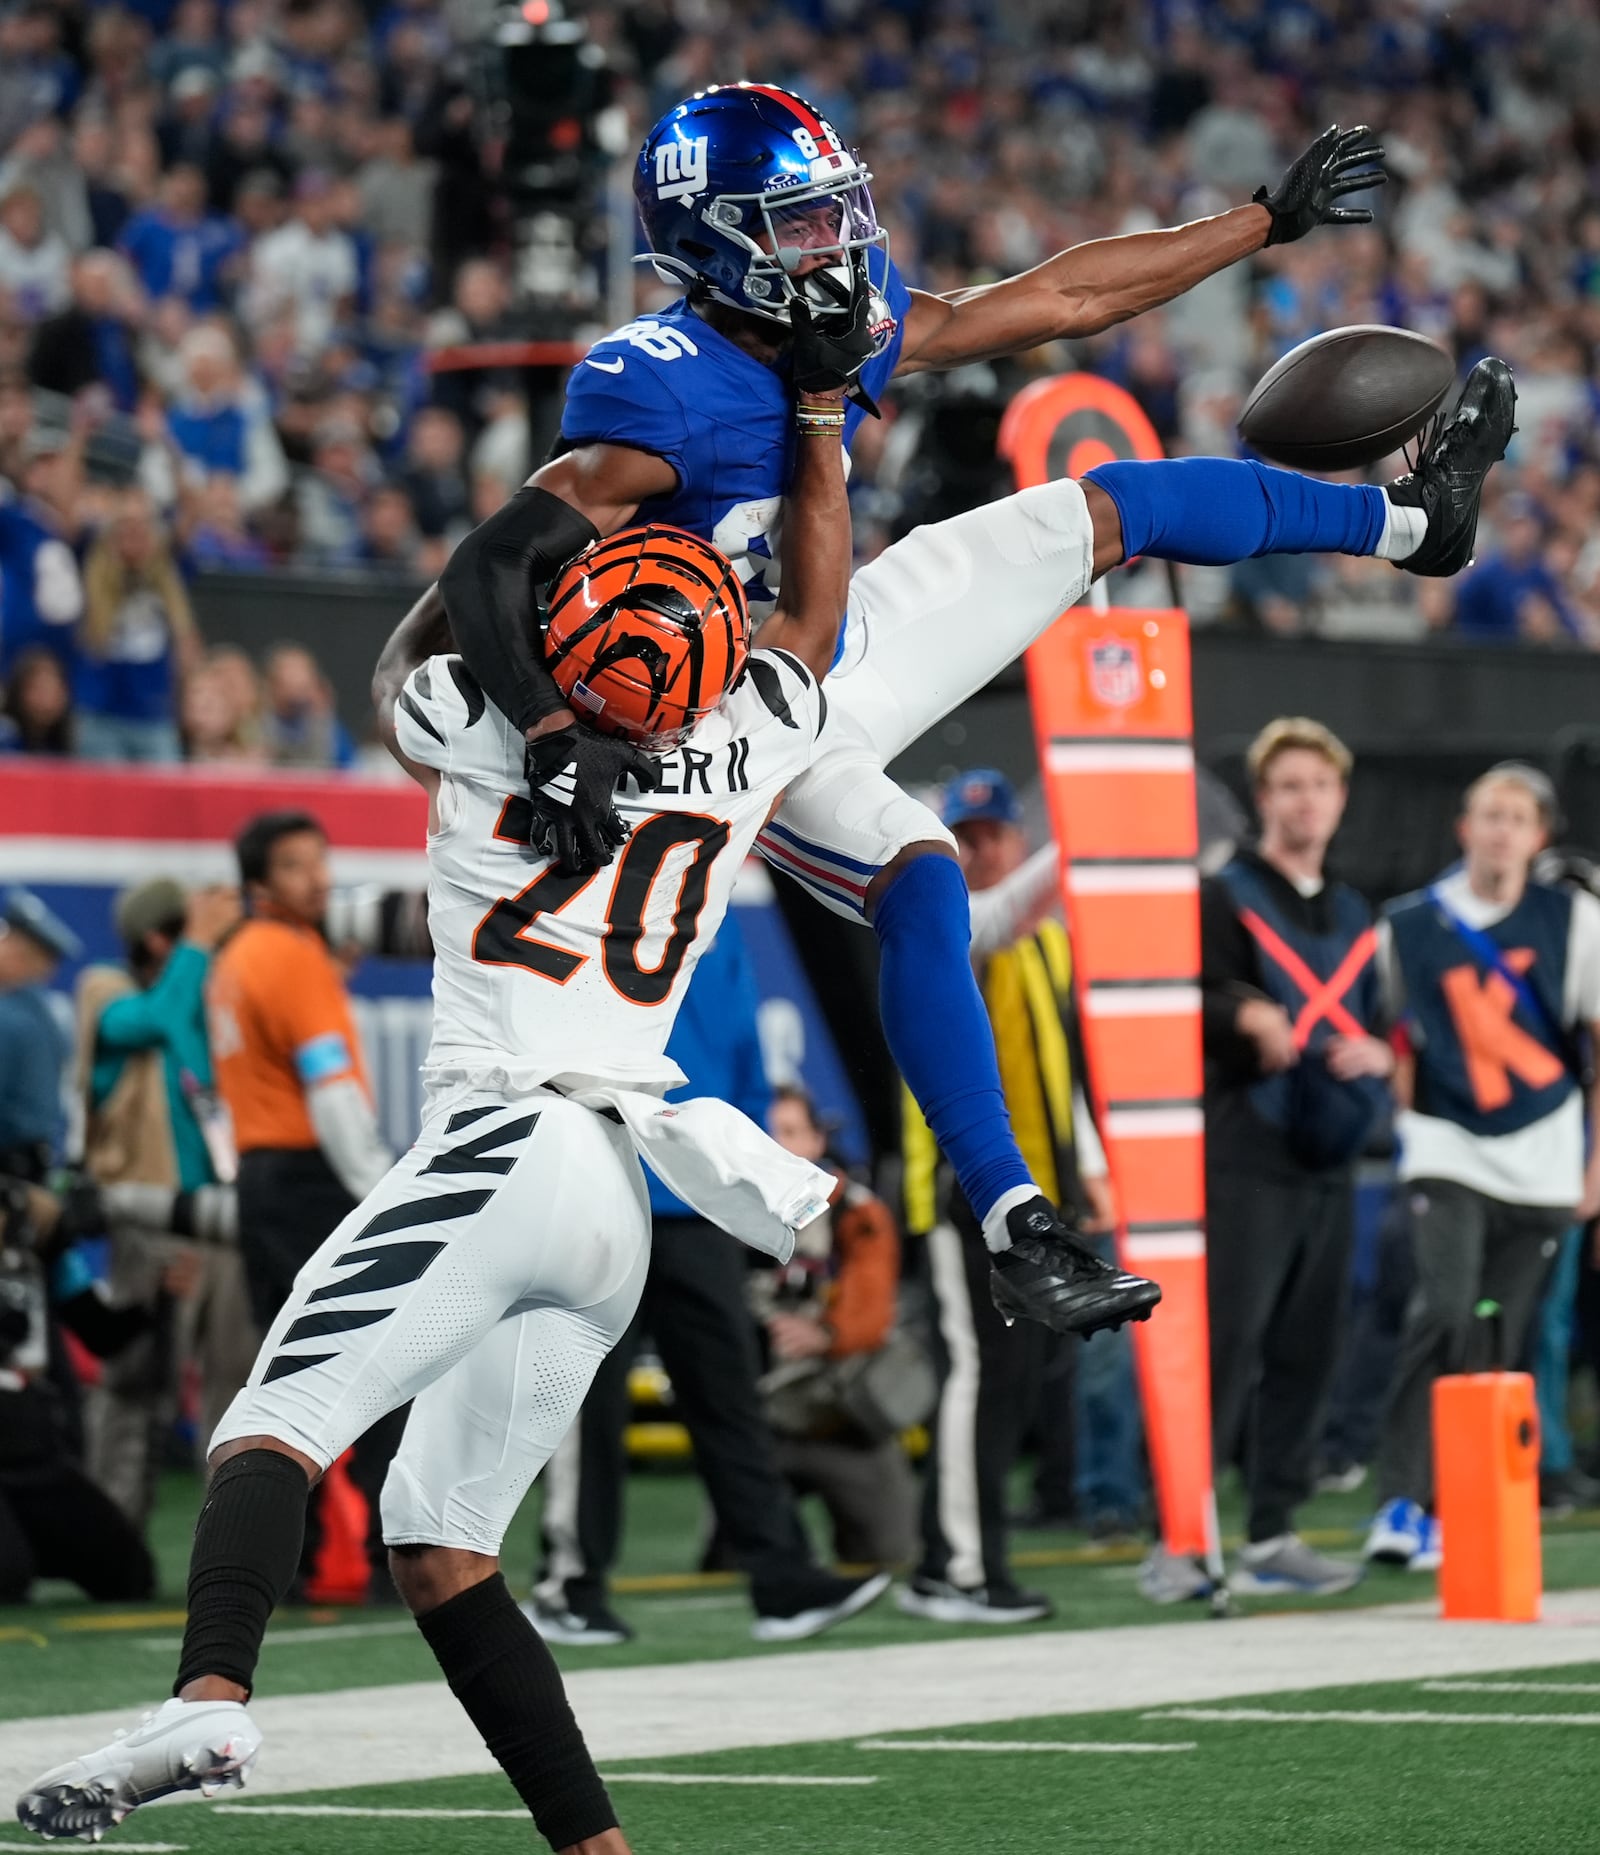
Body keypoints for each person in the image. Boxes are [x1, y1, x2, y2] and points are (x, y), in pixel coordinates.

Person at [16, 315, 861, 1852]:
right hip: (620, 1183)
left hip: (511, 1134)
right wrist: (816, 414)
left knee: (275, 1415)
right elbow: (813, 615)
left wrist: (584, 491)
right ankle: (598, 1848)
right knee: (442, 1538)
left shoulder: (478, 721)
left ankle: (211, 1689)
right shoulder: (746, 742)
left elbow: (422, 637)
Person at [427, 84, 1408, 1344]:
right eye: (793, 224)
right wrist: (552, 731)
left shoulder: (824, 328)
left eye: (835, 212)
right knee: (923, 878)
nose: (832, 245)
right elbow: (484, 566)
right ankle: (1015, 1223)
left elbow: (1058, 300)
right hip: (734, 715)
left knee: (1103, 510)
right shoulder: (659, 388)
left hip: (838, 631)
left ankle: (1411, 523)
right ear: (710, 239)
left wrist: (1261, 222)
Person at [527, 915, 890, 1648]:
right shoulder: (591, 898)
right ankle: (568, 1583)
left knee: (730, 1399)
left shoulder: (718, 931)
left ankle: (782, 1580)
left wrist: (741, 1191)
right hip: (602, 1186)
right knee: (585, 1402)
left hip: (695, 1208)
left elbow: (749, 1071)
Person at [900, 770, 1125, 1623]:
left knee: (1014, 1383)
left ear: (1016, 840)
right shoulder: (941, 925)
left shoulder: (1050, 943)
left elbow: (1062, 1068)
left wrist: (1088, 1169)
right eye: (968, 835)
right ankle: (951, 1568)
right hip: (957, 1191)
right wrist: (1093, 826)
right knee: (972, 1375)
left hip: (1037, 1193)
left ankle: (969, 1556)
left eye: (996, 833)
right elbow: (1000, 918)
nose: (984, 848)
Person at [1365, 764, 1600, 1572]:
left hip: (1544, 1156)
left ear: (1541, 836)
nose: (1501, 830)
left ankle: (1465, 1502)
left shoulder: (1574, 919)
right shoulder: (1407, 924)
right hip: (1449, 1144)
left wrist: (1595, 1169)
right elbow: (1395, 1036)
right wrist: (1405, 1121)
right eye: (1488, 814)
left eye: (1518, 817)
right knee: (1445, 1307)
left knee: (1503, 1333)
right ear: (1463, 826)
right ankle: (1402, 1498)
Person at [1201, 720, 1391, 1597]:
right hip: (1249, 1145)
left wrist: (1383, 1057)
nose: (1304, 799)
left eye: (1319, 784)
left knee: (1310, 1350)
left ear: (1340, 799)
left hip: (1332, 1153)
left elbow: (1389, 1024)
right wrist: (1240, 1015)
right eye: (1288, 786)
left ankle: (1273, 1532)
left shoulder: (1357, 911)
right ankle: (1189, 1531)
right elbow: (1174, 996)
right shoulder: (1225, 893)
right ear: (1264, 798)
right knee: (1229, 1346)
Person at [203, 808, 400, 1599]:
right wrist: (381, 1193)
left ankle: (288, 1563)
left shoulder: (239, 956)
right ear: (258, 885)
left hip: (263, 1179)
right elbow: (332, 1094)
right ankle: (399, 1556)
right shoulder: (289, 957)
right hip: (313, 1180)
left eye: (320, 862)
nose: (317, 879)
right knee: (384, 1367)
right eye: (294, 866)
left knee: (285, 1381)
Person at [75, 876, 256, 1528]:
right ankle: (112, 1533)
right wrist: (199, 943)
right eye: (189, 931)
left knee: (236, 1383)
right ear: (159, 937)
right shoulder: (107, 991)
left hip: (222, 1214)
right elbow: (152, 1019)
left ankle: (232, 1537)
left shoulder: (206, 998)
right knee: (134, 1383)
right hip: (149, 1217)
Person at [759, 1083, 919, 1571]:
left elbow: (872, 1303)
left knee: (891, 1557)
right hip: (759, 1421)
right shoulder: (722, 1207)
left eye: (790, 1131)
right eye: (767, 1131)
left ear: (817, 1141)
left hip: (840, 1417)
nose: (777, 1143)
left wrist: (828, 1334)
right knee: (732, 1567)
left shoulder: (856, 1209)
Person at [73, 487, 200, 763]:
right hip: (100, 714)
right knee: (103, 803)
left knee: (163, 803)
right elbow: (63, 501)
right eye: (124, 526)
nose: (133, 535)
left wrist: (168, 446)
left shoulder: (171, 569)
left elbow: (194, 506)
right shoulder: (89, 560)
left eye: (141, 527)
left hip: (154, 716)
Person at [0, 888, 80, 1182]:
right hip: (34, 1174)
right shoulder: (49, 1017)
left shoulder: (8, 1018)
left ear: (19, 955)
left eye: (5, 940)